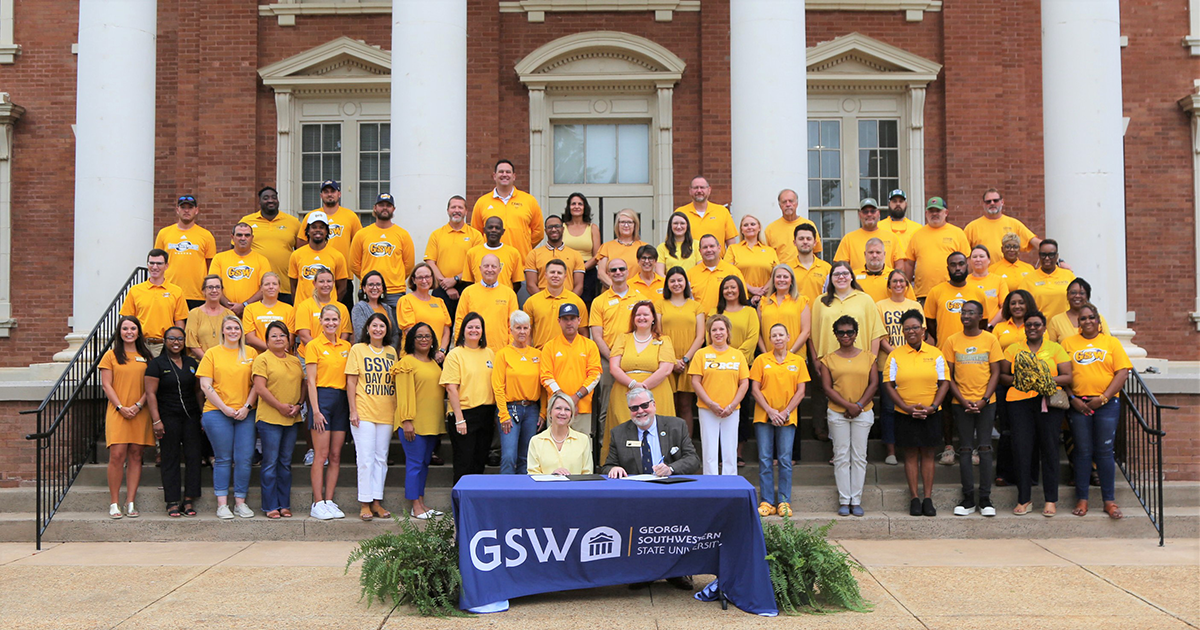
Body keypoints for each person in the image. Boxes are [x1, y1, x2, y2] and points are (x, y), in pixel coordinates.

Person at [1063, 303, 1131, 520]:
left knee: (1104, 452)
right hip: (1079, 404)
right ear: (1078, 323)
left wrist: (1102, 399)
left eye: (1092, 317)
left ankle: (1109, 501)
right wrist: (1072, 398)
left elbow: (1122, 373)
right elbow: (1061, 374)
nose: (1088, 321)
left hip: (1106, 405)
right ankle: (1082, 499)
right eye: (1083, 318)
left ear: (1098, 321)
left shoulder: (1111, 342)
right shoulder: (1067, 343)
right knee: (1082, 452)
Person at [1000, 310, 1072, 517]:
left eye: (1037, 325)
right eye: (1029, 325)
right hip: (1019, 403)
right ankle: (1024, 499)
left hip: (1047, 404)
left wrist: (1041, 379)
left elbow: (1067, 376)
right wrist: (1022, 380)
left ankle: (1050, 500)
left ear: (1044, 328)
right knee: (1022, 450)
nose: (1032, 328)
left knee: (1049, 449)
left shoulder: (1055, 348)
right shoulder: (1014, 349)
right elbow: (1003, 376)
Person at [884, 310, 949, 517]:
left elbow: (944, 382)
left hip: (931, 412)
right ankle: (914, 498)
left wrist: (933, 406)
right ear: (902, 332)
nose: (911, 331)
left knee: (929, 454)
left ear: (923, 329)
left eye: (915, 327)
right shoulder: (895, 354)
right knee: (910, 454)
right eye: (907, 329)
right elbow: (888, 384)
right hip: (905, 413)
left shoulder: (936, 353)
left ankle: (928, 498)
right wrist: (905, 407)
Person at [942, 300, 1003, 517]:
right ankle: (968, 499)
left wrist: (984, 399)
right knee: (966, 449)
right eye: (963, 312)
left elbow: (995, 372)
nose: (966, 315)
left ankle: (985, 499)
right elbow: (948, 375)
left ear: (980, 316)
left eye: (971, 312)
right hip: (961, 404)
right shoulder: (951, 341)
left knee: (985, 448)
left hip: (987, 403)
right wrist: (963, 399)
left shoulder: (990, 339)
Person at [197, 315, 259, 519]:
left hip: (245, 413)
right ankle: (222, 504)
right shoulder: (212, 354)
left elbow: (256, 384)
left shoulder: (251, 353)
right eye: (229, 328)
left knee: (244, 458)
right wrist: (223, 408)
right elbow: (205, 385)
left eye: (237, 328)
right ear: (223, 331)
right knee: (223, 458)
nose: (233, 332)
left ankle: (240, 502)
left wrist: (247, 407)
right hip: (217, 412)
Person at [820, 315, 879, 517]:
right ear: (835, 334)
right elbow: (827, 388)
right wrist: (847, 405)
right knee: (842, 455)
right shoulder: (828, 359)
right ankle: (844, 500)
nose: (846, 335)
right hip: (838, 412)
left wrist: (859, 405)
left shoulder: (869, 357)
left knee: (860, 456)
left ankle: (857, 500)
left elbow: (874, 384)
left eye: (850, 332)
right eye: (841, 332)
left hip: (864, 411)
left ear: (856, 334)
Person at [604, 300, 676, 462]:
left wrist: (643, 388)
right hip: (625, 391)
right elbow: (614, 367)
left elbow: (666, 368)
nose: (641, 317)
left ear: (653, 319)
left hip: (656, 391)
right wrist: (633, 385)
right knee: (624, 429)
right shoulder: (623, 338)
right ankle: (622, 466)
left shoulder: (664, 340)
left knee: (656, 430)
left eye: (646, 314)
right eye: (638, 314)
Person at [750, 323, 809, 517]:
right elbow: (755, 389)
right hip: (764, 415)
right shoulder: (761, 360)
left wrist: (785, 412)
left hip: (787, 416)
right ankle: (766, 501)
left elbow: (801, 391)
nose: (777, 338)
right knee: (765, 459)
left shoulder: (798, 361)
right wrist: (770, 410)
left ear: (788, 337)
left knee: (784, 459)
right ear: (770, 339)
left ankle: (784, 501)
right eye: (773, 335)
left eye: (781, 335)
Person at [99, 316, 155, 519]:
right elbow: (107, 385)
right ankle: (114, 503)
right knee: (117, 455)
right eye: (125, 328)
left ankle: (130, 501)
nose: (129, 331)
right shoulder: (111, 356)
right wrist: (121, 407)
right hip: (118, 411)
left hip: (141, 411)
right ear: (119, 332)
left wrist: (139, 405)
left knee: (136, 455)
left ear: (139, 332)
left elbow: (150, 386)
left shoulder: (146, 356)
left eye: (133, 328)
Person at [345, 312, 399, 521]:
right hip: (364, 411)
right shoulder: (358, 350)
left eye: (382, 326)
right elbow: (351, 382)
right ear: (367, 328)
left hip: (386, 412)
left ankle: (377, 501)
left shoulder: (391, 352)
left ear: (387, 330)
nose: (378, 329)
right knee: (365, 459)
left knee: (381, 459)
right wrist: (353, 410)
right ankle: (365, 503)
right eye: (374, 325)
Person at [145, 325, 202, 518]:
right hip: (167, 416)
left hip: (191, 416)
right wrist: (156, 420)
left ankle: (189, 499)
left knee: (194, 456)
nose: (176, 342)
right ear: (164, 341)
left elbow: (197, 391)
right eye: (171, 338)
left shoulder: (191, 363)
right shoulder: (156, 364)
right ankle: (172, 500)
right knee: (170, 457)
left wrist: (202, 415)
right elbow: (150, 394)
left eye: (179, 339)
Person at [250, 320, 305, 519]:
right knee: (270, 463)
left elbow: (303, 384)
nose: (279, 339)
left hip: (292, 417)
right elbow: (260, 388)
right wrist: (280, 406)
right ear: (266, 340)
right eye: (274, 335)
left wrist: (299, 404)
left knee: (285, 463)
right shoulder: (262, 359)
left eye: (283, 335)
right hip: (270, 418)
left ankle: (284, 504)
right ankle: (270, 505)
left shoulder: (295, 360)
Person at [590, 257, 649, 436]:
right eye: (613, 270)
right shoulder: (599, 301)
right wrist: (613, 359)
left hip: (636, 360)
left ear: (627, 271)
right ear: (607, 274)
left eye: (621, 269)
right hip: (608, 360)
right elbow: (597, 335)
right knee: (607, 407)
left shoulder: (641, 299)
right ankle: (605, 450)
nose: (618, 273)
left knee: (638, 404)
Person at [304, 305, 352, 520]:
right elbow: (311, 381)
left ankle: (329, 501)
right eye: (327, 319)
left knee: (335, 455)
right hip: (322, 400)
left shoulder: (347, 346)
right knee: (321, 455)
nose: (331, 323)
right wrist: (315, 410)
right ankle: (317, 502)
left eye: (335, 319)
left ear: (340, 322)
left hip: (341, 401)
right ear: (321, 321)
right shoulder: (313, 345)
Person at [394, 323, 447, 519]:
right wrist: (406, 420)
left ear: (433, 340)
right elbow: (404, 394)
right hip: (413, 424)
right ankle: (415, 506)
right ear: (412, 340)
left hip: (431, 423)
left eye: (427, 336)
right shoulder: (406, 362)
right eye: (419, 336)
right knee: (415, 464)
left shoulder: (434, 363)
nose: (424, 339)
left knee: (424, 464)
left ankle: (422, 503)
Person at [689, 314, 750, 476]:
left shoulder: (737, 355)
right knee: (709, 451)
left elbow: (744, 383)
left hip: (731, 410)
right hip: (707, 409)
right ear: (709, 334)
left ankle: (730, 486)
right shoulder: (701, 354)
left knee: (730, 451)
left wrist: (731, 406)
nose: (718, 333)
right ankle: (711, 486)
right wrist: (710, 403)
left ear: (728, 332)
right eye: (714, 330)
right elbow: (696, 382)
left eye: (721, 329)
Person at [441, 312, 497, 483]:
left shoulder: (489, 353)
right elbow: (451, 388)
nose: (474, 330)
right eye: (470, 327)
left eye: (477, 327)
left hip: (486, 414)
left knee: (479, 462)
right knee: (464, 463)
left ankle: (475, 506)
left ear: (483, 331)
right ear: (463, 330)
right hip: (464, 414)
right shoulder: (455, 354)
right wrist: (459, 418)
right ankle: (460, 506)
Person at [601, 387, 699, 481]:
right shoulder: (619, 433)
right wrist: (614, 469)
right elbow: (607, 466)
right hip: (634, 488)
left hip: (668, 487)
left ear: (654, 405)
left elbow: (693, 459)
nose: (640, 411)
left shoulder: (676, 426)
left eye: (644, 405)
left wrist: (670, 469)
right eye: (634, 408)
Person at [875, 270, 921, 466]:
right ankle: (891, 450)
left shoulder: (915, 305)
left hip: (913, 364)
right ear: (889, 285)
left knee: (912, 405)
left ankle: (911, 448)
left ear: (907, 284)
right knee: (888, 408)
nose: (898, 284)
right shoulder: (880, 306)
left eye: (902, 281)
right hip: (887, 363)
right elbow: (878, 335)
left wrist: (905, 353)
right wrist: (895, 352)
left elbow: (921, 333)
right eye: (894, 281)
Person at [992, 288, 1037, 487]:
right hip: (1006, 383)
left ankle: (1030, 475)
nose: (1017, 306)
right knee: (1007, 430)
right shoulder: (1000, 328)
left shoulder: (1035, 326)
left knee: (1031, 431)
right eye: (1013, 303)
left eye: (1021, 302)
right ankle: (1004, 473)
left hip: (1033, 386)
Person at [715, 274, 760, 465]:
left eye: (733, 287)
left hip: (743, 367)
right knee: (718, 409)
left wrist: (735, 358)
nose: (730, 291)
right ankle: (718, 451)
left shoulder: (750, 311)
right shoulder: (715, 311)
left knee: (741, 409)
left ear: (740, 289)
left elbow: (753, 337)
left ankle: (738, 451)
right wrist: (726, 357)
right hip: (717, 369)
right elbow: (712, 337)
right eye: (726, 288)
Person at [540, 303, 603, 439]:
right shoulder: (550, 346)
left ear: (579, 321)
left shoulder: (590, 345)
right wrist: (564, 400)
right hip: (556, 409)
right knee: (555, 448)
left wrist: (576, 397)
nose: (569, 323)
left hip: (583, 408)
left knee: (582, 448)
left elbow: (595, 375)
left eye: (573, 318)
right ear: (559, 321)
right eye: (565, 319)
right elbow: (546, 376)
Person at [491, 311, 543, 474]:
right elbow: (497, 386)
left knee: (527, 457)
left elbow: (544, 386)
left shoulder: (538, 355)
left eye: (525, 328)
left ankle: (523, 494)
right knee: (508, 455)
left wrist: (543, 412)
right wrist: (503, 414)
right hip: (510, 409)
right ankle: (505, 495)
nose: (522, 331)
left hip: (532, 409)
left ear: (530, 330)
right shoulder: (503, 354)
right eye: (518, 328)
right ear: (511, 330)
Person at [811, 261, 885, 368]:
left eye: (845, 274)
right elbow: (813, 336)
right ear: (830, 278)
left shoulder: (865, 299)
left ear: (852, 277)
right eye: (836, 274)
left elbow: (875, 334)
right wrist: (816, 361)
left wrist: (872, 361)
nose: (841, 277)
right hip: (828, 363)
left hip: (860, 362)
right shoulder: (820, 301)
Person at [303, 180, 363, 311]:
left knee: (342, 315)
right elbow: (301, 243)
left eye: (333, 191)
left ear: (339, 194)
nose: (329, 194)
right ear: (321, 195)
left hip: (343, 276)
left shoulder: (350, 216)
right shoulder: (311, 216)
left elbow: (360, 244)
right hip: (315, 274)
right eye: (326, 192)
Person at [659, 267, 705, 435]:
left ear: (686, 283)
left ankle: (686, 446)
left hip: (688, 362)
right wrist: (671, 360)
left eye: (680, 280)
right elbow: (658, 333)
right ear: (667, 284)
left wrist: (684, 359)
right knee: (668, 405)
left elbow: (700, 337)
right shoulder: (659, 305)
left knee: (686, 405)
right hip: (665, 362)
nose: (676, 284)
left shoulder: (696, 306)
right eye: (672, 281)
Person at [349, 193, 415, 308]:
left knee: (395, 325)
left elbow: (409, 265)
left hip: (395, 291)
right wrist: (369, 279)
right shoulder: (362, 234)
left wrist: (395, 277)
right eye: (381, 205)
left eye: (388, 205)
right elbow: (353, 263)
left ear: (393, 209)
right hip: (369, 291)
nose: (385, 208)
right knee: (368, 325)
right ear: (375, 208)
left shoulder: (403, 235)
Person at [897, 197, 971, 300]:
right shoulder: (917, 235)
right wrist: (906, 289)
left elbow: (967, 262)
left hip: (951, 292)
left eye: (938, 211)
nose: (934, 214)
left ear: (946, 212)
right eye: (931, 211)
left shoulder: (958, 233)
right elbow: (909, 264)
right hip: (923, 294)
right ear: (926, 213)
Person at [425, 195, 483, 323]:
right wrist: (446, 285)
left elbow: (477, 264)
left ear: (466, 211)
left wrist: (455, 279)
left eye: (460, 207)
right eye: (453, 207)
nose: (456, 210)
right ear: (447, 211)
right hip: (441, 288)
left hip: (467, 288)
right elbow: (430, 261)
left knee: (467, 326)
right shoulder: (437, 234)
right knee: (440, 326)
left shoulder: (476, 235)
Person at [240, 187, 302, 304]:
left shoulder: (293, 222)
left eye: (274, 197)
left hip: (285, 285)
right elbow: (236, 250)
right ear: (259, 202)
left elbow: (302, 253)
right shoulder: (247, 221)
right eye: (266, 198)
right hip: (256, 288)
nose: (270, 200)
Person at [120, 249, 188, 356]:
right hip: (140, 344)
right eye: (151, 263)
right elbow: (127, 320)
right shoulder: (135, 290)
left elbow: (179, 322)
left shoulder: (176, 291)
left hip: (164, 346)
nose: (155, 267)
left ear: (166, 266)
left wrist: (175, 343)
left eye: (159, 263)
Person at [471, 159, 544, 259]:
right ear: (494, 176)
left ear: (514, 176)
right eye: (501, 172)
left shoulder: (529, 200)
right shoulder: (482, 202)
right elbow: (476, 234)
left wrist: (524, 243)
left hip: (521, 262)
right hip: (491, 265)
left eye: (508, 172)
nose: (504, 174)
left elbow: (538, 232)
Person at [156, 194, 216, 308]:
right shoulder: (164, 233)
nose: (186, 210)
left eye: (190, 207)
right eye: (183, 207)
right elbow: (157, 262)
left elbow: (210, 267)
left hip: (196, 295)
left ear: (196, 210)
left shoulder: (206, 235)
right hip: (169, 292)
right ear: (177, 210)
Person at [454, 254, 519, 350]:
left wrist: (510, 348)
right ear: (480, 268)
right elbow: (460, 320)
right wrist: (460, 345)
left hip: (500, 351)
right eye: (486, 266)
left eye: (494, 266)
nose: (490, 270)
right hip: (473, 350)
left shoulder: (509, 293)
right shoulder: (468, 292)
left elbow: (514, 324)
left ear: (500, 269)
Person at [923, 252, 987, 345]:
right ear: (948, 268)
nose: (958, 268)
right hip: (945, 348)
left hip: (972, 349)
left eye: (961, 264)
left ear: (967, 266)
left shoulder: (978, 293)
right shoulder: (935, 292)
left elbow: (983, 322)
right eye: (953, 265)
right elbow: (930, 322)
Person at [523, 259, 588, 349]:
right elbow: (527, 333)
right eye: (552, 272)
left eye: (559, 273)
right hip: (541, 354)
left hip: (569, 355)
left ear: (565, 277)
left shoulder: (577, 301)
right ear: (545, 275)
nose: (555, 275)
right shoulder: (531, 301)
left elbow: (583, 331)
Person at [288, 211, 350, 302]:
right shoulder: (296, 255)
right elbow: (293, 286)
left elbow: (342, 287)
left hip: (328, 311)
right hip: (303, 309)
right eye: (313, 227)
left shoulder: (337, 256)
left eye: (321, 227)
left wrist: (331, 303)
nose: (318, 230)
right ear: (308, 231)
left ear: (326, 231)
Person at [964, 188, 1041, 260]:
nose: (992, 203)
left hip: (1007, 272)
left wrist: (1050, 253)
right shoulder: (972, 227)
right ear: (983, 204)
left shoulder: (1014, 224)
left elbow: (1035, 242)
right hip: (983, 273)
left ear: (1002, 202)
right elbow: (963, 253)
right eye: (988, 201)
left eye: (995, 200)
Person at [527, 392, 594, 475]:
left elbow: (587, 474)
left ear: (571, 414)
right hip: (546, 488)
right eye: (558, 408)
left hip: (575, 488)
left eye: (567, 409)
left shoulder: (583, 440)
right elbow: (532, 474)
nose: (562, 413)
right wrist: (552, 477)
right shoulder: (536, 441)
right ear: (550, 412)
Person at [210, 223, 269, 315]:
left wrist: (244, 305)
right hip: (224, 312)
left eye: (247, 235)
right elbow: (212, 285)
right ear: (232, 237)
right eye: (239, 235)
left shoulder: (262, 260)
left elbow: (265, 289)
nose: (243, 238)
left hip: (252, 313)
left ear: (252, 238)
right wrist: (229, 306)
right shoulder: (219, 258)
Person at [294, 269, 352, 359]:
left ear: (333, 283)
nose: (325, 285)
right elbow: (304, 336)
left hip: (335, 357)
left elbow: (345, 334)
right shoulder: (304, 306)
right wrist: (322, 352)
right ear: (314, 284)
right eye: (321, 281)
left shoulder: (342, 308)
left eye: (329, 281)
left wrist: (332, 351)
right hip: (309, 356)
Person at [394, 264, 450, 357]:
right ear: (413, 280)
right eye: (420, 277)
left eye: (427, 276)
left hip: (437, 357)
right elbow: (410, 331)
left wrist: (441, 351)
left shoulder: (439, 302)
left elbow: (446, 330)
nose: (424, 280)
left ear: (432, 278)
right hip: (415, 356)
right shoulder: (406, 300)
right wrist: (431, 352)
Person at [834, 198, 902, 271]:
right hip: (858, 281)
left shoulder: (891, 237)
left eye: (872, 211)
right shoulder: (848, 239)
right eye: (865, 212)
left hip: (885, 281)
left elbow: (900, 265)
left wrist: (892, 280)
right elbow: (840, 267)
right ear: (859, 215)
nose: (869, 214)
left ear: (878, 213)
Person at [724, 214, 779, 305]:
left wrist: (762, 292)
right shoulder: (732, 249)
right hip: (740, 299)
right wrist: (750, 289)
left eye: (753, 224)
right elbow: (729, 272)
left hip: (766, 300)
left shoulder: (770, 251)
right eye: (745, 225)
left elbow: (776, 273)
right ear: (741, 230)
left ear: (759, 228)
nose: (749, 227)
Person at [525, 214, 585, 295]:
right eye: (550, 227)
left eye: (557, 226)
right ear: (545, 231)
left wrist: (570, 301)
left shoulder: (575, 255)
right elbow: (531, 285)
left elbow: (579, 286)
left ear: (563, 229)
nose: (553, 229)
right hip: (541, 302)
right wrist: (542, 301)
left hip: (567, 301)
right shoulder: (534, 254)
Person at [758, 264, 811, 356]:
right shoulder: (763, 302)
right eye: (778, 276)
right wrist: (765, 354)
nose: (782, 279)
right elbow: (757, 333)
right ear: (773, 280)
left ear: (791, 281)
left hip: (795, 358)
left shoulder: (801, 301)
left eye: (785, 277)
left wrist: (790, 353)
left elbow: (806, 332)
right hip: (768, 359)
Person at [676, 176, 738, 252]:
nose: (699, 190)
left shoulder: (722, 211)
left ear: (709, 190)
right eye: (695, 188)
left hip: (718, 262)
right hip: (689, 262)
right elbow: (672, 240)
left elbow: (731, 243)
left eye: (702, 187)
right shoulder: (680, 213)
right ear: (690, 190)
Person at [1017, 239, 1075, 319]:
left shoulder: (1069, 276)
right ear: (1039, 256)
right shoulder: (1028, 279)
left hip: (1065, 327)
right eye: (1043, 255)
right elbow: (1021, 305)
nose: (1047, 258)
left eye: (1051, 255)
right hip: (1039, 328)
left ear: (1057, 256)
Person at [462, 216, 524, 291]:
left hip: (503, 300)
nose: (493, 230)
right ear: (484, 230)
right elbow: (468, 281)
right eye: (490, 227)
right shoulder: (472, 253)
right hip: (479, 299)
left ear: (503, 231)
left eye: (497, 228)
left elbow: (517, 283)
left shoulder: (513, 253)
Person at [561, 192, 602, 303]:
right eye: (573, 204)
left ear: (585, 207)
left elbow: (597, 255)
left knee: (585, 304)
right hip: (566, 271)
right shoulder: (562, 227)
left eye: (580, 204)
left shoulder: (592, 228)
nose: (577, 206)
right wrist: (569, 269)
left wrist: (580, 269)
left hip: (587, 271)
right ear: (569, 207)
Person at [688, 234, 745, 312]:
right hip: (699, 321)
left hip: (726, 321)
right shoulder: (690, 274)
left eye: (712, 246)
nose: (709, 250)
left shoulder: (733, 271)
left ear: (719, 248)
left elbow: (743, 301)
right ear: (700, 251)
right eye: (705, 247)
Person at [765, 188, 822, 265]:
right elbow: (766, 257)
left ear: (797, 204)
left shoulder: (809, 225)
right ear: (780, 205)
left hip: (805, 272)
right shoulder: (770, 229)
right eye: (784, 202)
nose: (788, 204)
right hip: (781, 274)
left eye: (791, 201)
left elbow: (816, 252)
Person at [185, 275, 235, 361]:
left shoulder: (229, 314)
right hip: (200, 363)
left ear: (222, 290)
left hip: (225, 362)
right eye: (210, 287)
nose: (214, 290)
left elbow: (234, 340)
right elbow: (192, 343)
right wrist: (209, 361)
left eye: (217, 287)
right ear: (204, 291)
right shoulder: (194, 314)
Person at [242, 272, 295, 353]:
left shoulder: (289, 309)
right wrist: (272, 349)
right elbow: (250, 338)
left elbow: (291, 337)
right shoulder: (250, 309)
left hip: (282, 357)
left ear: (279, 287)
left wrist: (279, 350)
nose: (271, 287)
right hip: (258, 357)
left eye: (274, 284)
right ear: (261, 288)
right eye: (267, 284)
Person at [595, 209, 648, 288]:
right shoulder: (607, 247)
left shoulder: (644, 247)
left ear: (635, 225)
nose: (626, 225)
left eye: (629, 222)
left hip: (638, 294)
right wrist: (618, 288)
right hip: (612, 294)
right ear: (617, 225)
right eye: (622, 222)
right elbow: (601, 273)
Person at [1047, 277, 1109, 342]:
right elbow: (1051, 348)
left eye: (1082, 293)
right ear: (1067, 295)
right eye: (1073, 293)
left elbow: (1108, 342)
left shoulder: (1097, 318)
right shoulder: (1056, 321)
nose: (1077, 296)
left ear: (1087, 297)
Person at [855, 238, 915, 303]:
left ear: (884, 254)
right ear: (865, 254)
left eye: (878, 252)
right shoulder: (853, 276)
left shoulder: (896, 277)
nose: (874, 255)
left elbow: (912, 303)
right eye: (871, 252)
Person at [353, 270, 401, 349]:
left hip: (386, 355)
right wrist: (375, 352)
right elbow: (360, 336)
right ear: (364, 288)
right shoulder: (359, 308)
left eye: (378, 284)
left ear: (382, 288)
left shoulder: (387, 308)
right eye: (371, 285)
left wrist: (389, 350)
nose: (375, 288)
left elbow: (394, 334)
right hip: (367, 355)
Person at [966, 245, 1009, 323]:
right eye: (974, 257)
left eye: (981, 256)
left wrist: (990, 325)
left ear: (989, 260)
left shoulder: (999, 280)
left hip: (992, 328)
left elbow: (1005, 307)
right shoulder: (965, 281)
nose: (978, 259)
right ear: (970, 260)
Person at [792, 223, 832, 305]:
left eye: (809, 239)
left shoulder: (827, 268)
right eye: (801, 239)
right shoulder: (787, 269)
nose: (805, 242)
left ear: (815, 243)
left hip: (820, 316)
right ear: (794, 242)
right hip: (795, 316)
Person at [878, 189, 921, 254]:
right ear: (889, 204)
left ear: (906, 204)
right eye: (894, 201)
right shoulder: (879, 227)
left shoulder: (917, 228)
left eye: (901, 201)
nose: (898, 204)